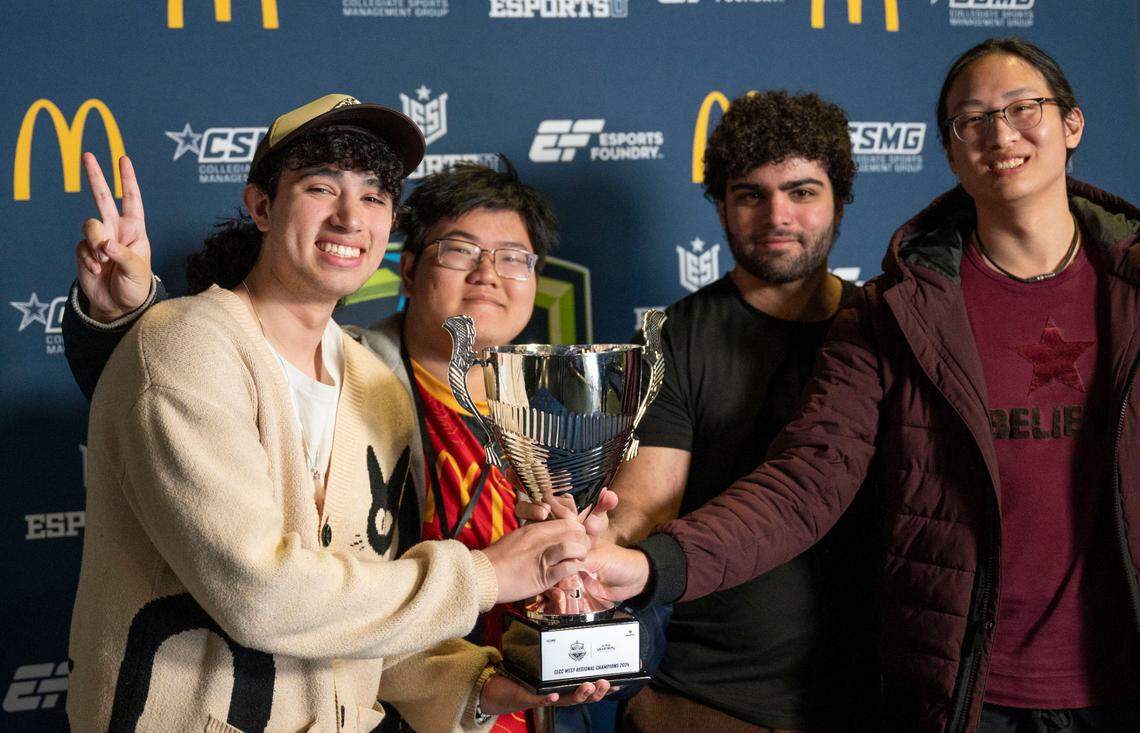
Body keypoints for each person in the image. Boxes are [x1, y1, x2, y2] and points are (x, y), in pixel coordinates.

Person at [588, 38, 1140, 732]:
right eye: (973, 119)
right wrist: (633, 561)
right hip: (957, 694)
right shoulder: (894, 315)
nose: (1001, 133)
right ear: (950, 150)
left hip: (1091, 684)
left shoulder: (1128, 288)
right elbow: (802, 483)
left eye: (1022, 108)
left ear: (1072, 124)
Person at [66, 93, 605, 732]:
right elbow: (262, 595)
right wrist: (485, 576)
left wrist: (482, 685)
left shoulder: (376, 386)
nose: (351, 218)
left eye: (374, 197)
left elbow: (360, 613)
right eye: (322, 188)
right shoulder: (187, 345)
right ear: (263, 206)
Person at [601, 90, 877, 732]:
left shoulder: (889, 328)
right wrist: (594, 551)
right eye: (751, 194)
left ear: (839, 199)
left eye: (802, 191)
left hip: (878, 692)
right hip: (709, 698)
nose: (777, 215)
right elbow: (646, 502)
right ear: (721, 207)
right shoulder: (673, 337)